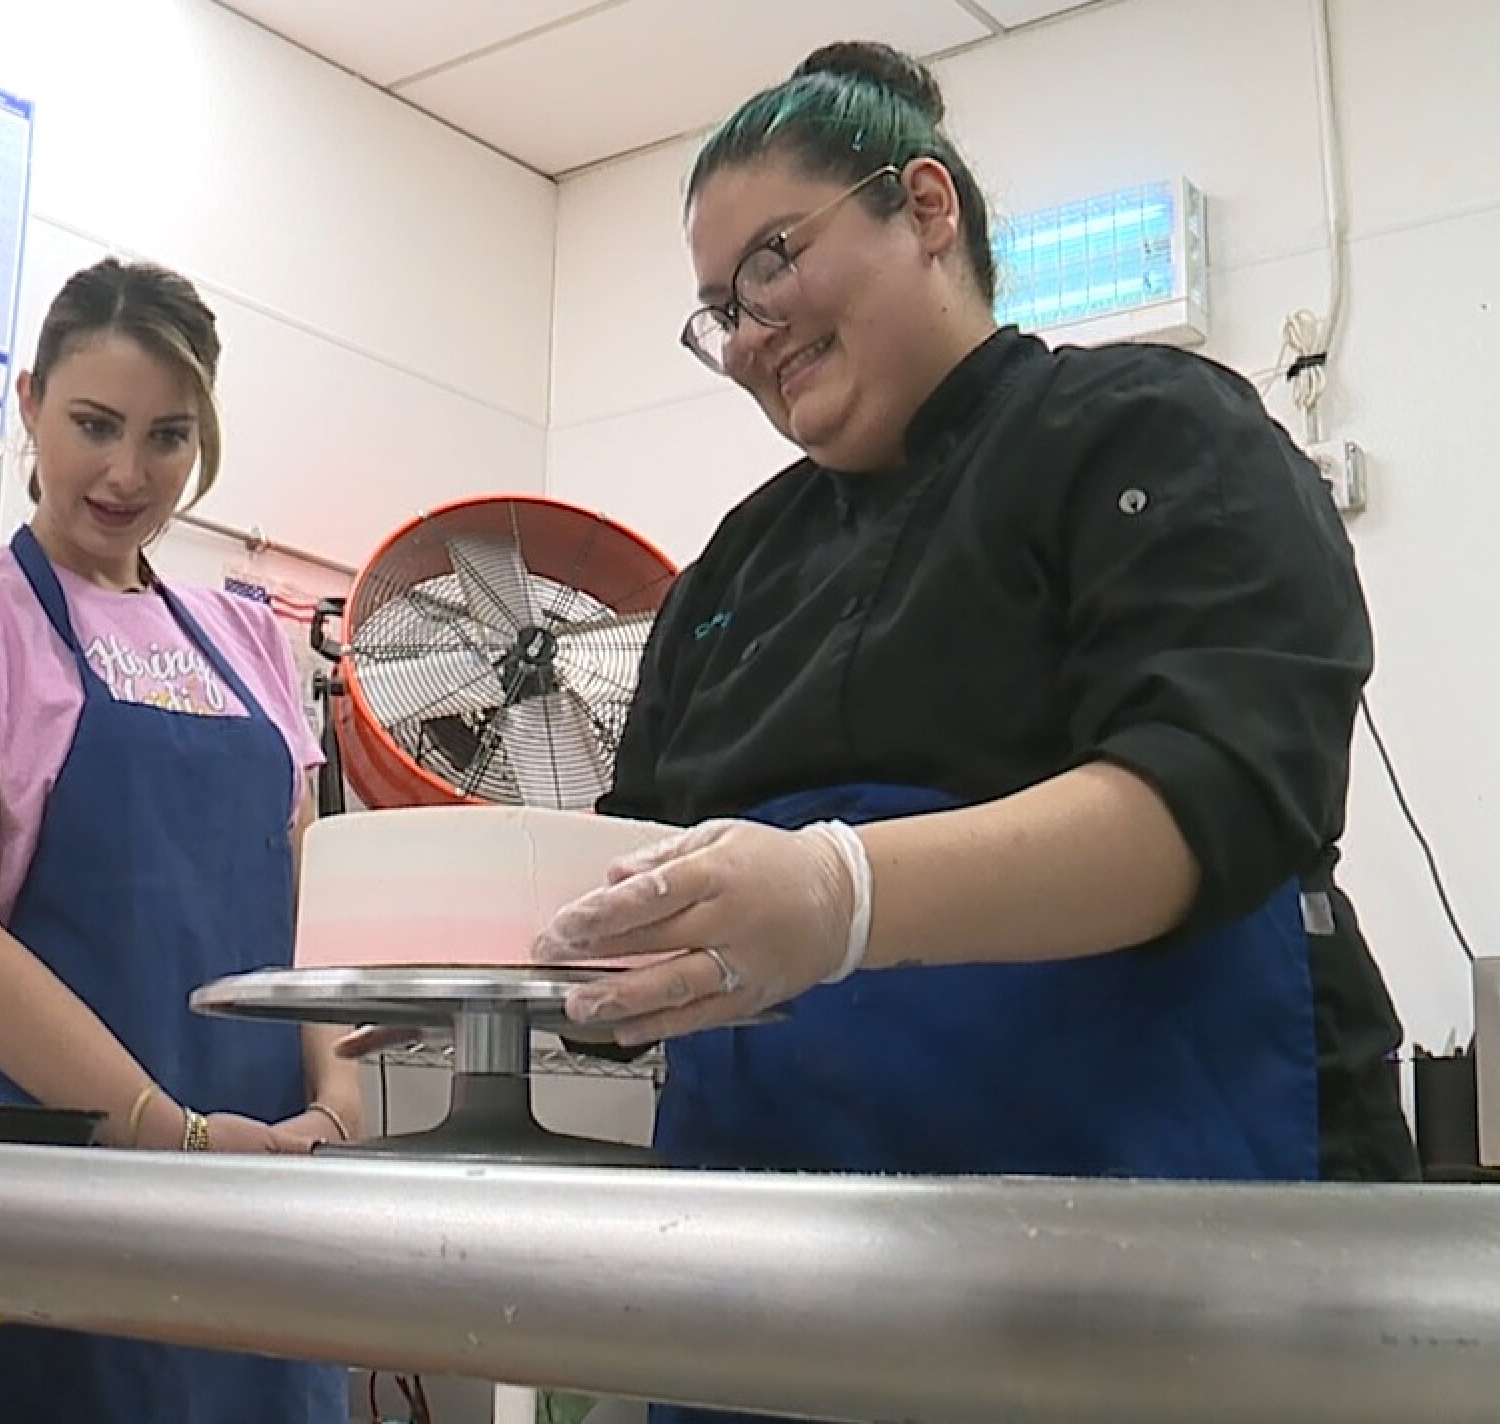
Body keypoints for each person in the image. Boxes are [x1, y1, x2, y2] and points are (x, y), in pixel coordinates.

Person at [528, 35, 1420, 1398]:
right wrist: (499, 989)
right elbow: (634, 869)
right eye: (718, 308)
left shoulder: (1147, 433)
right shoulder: (727, 576)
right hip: (770, 1288)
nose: (749, 330)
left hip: (1147, 1253)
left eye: (773, 260)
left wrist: (841, 898)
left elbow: (1212, 789)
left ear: (925, 209)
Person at [0, 257, 358, 1423]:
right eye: (94, 424)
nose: (129, 473)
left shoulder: (247, 640)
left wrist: (336, 1109)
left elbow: (313, 909)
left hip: (267, 1212)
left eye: (168, 436)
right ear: (30, 402)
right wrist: (162, 1131)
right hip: (57, 1209)